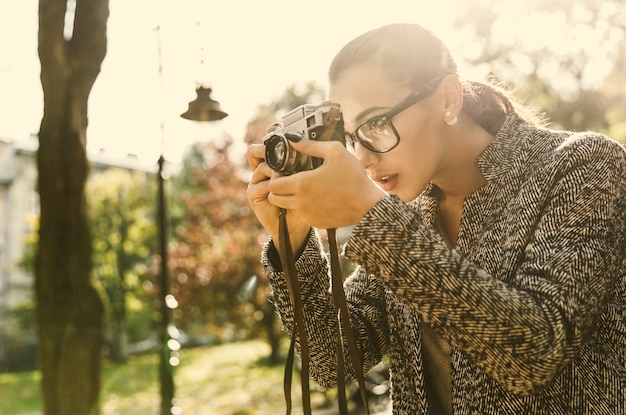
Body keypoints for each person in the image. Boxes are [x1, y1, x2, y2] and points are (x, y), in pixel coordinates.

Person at [246, 23, 626, 414]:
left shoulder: (582, 165)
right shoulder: (408, 211)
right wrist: (291, 244)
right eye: (353, 136)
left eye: (376, 123)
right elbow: (335, 359)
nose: (363, 158)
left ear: (448, 98)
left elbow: (536, 351)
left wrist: (371, 213)